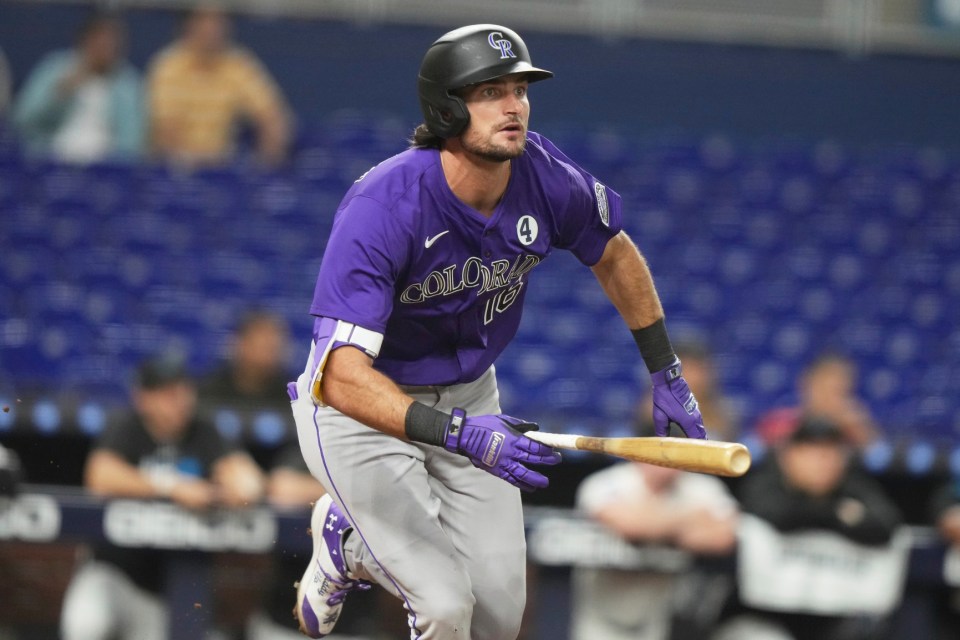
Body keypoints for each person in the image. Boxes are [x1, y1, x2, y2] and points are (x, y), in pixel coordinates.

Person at [287, 24, 708, 640]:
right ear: (446, 108)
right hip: (361, 411)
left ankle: (356, 542)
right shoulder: (385, 203)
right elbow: (343, 378)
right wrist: (457, 435)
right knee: (444, 605)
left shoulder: (542, 173)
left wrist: (665, 370)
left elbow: (613, 252)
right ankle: (348, 545)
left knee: (499, 617)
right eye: (490, 92)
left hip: (469, 396)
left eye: (520, 90)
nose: (514, 106)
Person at [60, 353, 265, 640]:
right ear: (143, 398)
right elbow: (99, 475)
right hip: (113, 571)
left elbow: (249, 482)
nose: (179, 400)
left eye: (183, 390)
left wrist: (228, 489)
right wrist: (172, 487)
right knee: (85, 625)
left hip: (167, 588)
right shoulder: (127, 426)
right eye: (167, 393)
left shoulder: (203, 431)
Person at [716, 414, 902, 640]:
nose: (822, 461)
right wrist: (839, 513)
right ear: (788, 455)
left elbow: (886, 524)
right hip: (758, 615)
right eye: (811, 452)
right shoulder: (764, 481)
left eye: (830, 452)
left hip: (835, 617)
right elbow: (778, 514)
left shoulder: (855, 485)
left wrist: (822, 512)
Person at [572, 457, 738, 640]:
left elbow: (724, 538)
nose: (668, 468)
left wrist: (655, 523)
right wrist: (691, 520)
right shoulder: (606, 482)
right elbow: (632, 527)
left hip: (661, 615)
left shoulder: (701, 487)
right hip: (604, 613)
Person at [146, 3, 291, 168]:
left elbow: (274, 118)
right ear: (189, 24)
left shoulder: (238, 65)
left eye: (219, 20)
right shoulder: (168, 66)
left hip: (221, 171)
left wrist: (264, 168)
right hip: (176, 173)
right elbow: (165, 133)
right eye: (206, 20)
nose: (213, 28)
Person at [11, 12, 145, 163]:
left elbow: (131, 141)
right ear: (84, 41)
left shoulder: (127, 83)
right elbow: (24, 120)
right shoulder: (54, 69)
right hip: (51, 161)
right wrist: (60, 93)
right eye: (99, 42)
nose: (104, 49)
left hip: (105, 169)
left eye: (111, 44)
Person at [754, 350, 880, 448]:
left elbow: (877, 459)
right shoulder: (779, 424)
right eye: (824, 389)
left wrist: (861, 432)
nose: (829, 400)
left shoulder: (854, 430)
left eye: (838, 392)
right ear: (805, 385)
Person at [636, 340, 738, 442]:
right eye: (685, 369)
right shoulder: (654, 405)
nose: (691, 377)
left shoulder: (719, 412)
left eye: (696, 370)